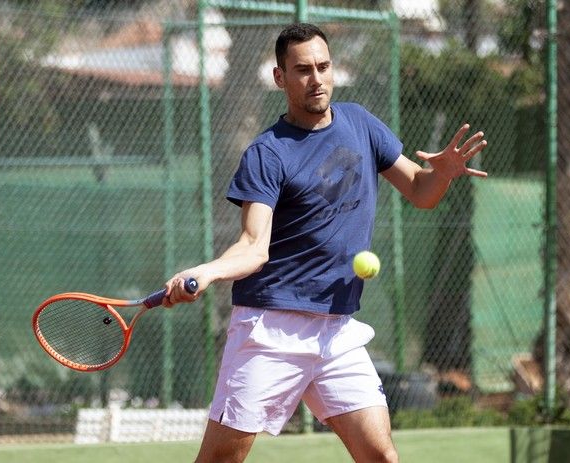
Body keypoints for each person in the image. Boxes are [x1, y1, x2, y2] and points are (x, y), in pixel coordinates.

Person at [163, 22, 487, 463]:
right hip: (270, 328)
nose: (316, 79)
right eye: (302, 70)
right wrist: (206, 271)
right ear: (280, 78)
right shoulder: (268, 153)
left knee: (381, 456)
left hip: (336, 330)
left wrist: (443, 174)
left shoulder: (361, 124)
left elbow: (420, 192)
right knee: (221, 460)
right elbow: (254, 246)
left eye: (323, 66)